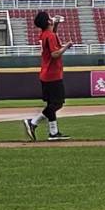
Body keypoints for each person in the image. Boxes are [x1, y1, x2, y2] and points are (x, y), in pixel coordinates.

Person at [23, 10, 66, 141]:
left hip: (45, 74)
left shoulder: (44, 34)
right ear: (47, 21)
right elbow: (55, 54)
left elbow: (51, 36)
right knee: (58, 103)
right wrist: (67, 46)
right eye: (49, 18)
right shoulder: (49, 35)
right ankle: (33, 122)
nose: (51, 19)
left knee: (51, 104)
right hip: (53, 74)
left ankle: (53, 132)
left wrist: (56, 24)